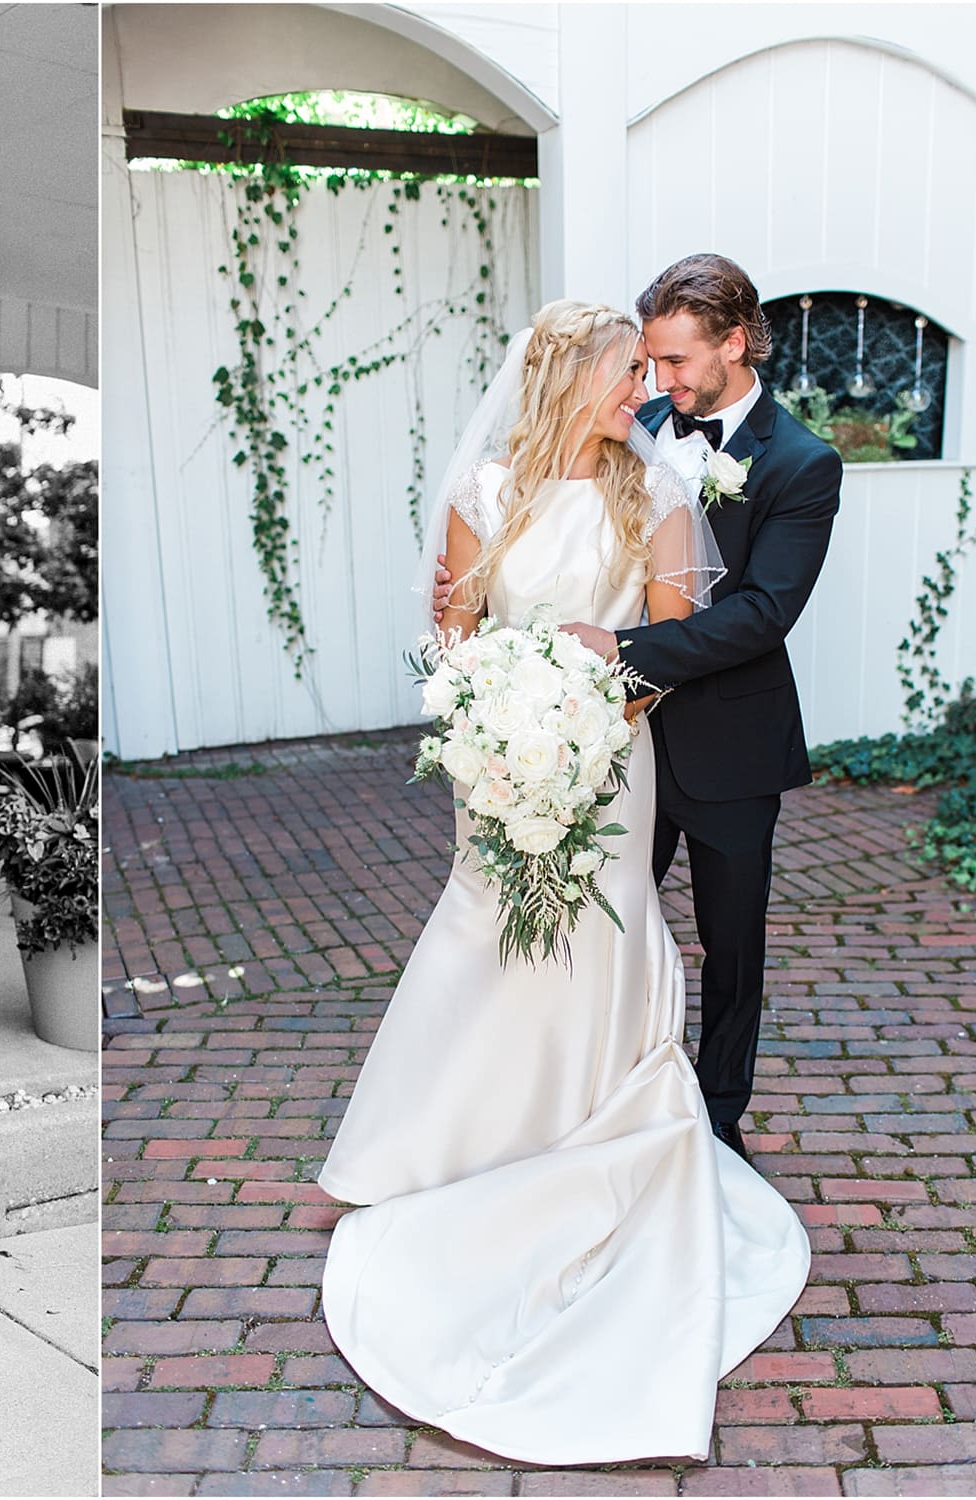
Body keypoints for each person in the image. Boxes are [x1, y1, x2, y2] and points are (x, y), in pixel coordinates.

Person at [318, 298, 810, 1464]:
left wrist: (583, 729)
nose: (638, 386)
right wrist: (494, 727)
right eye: (620, 368)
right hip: (493, 764)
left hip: (604, 762)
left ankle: (595, 1126)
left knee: (602, 932)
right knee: (485, 939)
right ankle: (460, 1142)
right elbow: (451, 629)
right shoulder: (481, 492)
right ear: (558, 375)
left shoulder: (657, 490)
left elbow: (664, 642)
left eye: (649, 365)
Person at [429, 254, 843, 1159]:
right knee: (593, 935)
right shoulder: (633, 422)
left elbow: (763, 614)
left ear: (734, 345)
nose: (658, 383)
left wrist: (618, 656)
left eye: (677, 363)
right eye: (646, 362)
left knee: (731, 949)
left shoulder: (804, 464)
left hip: (724, 741)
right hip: (611, 753)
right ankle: (574, 1099)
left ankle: (716, 1120)